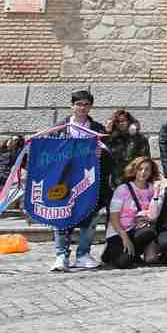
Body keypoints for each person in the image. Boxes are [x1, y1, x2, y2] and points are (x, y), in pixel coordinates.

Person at [51, 90, 114, 272]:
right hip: (64, 182)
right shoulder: (60, 129)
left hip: (90, 184)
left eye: (86, 104)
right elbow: (50, 154)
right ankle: (61, 255)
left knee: (90, 217)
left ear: (90, 106)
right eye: (79, 104)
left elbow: (110, 158)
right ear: (72, 106)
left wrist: (101, 155)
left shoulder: (98, 130)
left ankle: (83, 254)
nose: (82, 108)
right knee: (61, 217)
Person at [101, 156, 161, 269]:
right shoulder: (122, 189)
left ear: (151, 171)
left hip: (137, 231)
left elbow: (155, 214)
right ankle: (109, 254)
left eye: (147, 169)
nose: (143, 172)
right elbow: (114, 218)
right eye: (140, 169)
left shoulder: (152, 189)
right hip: (118, 232)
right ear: (134, 170)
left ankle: (134, 254)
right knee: (123, 263)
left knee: (149, 232)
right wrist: (124, 237)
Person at [104, 109, 149, 187]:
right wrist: (107, 132)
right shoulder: (110, 138)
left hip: (133, 180)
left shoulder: (139, 138)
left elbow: (145, 159)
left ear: (129, 121)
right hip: (114, 181)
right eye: (118, 121)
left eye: (123, 121)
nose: (121, 123)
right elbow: (104, 157)